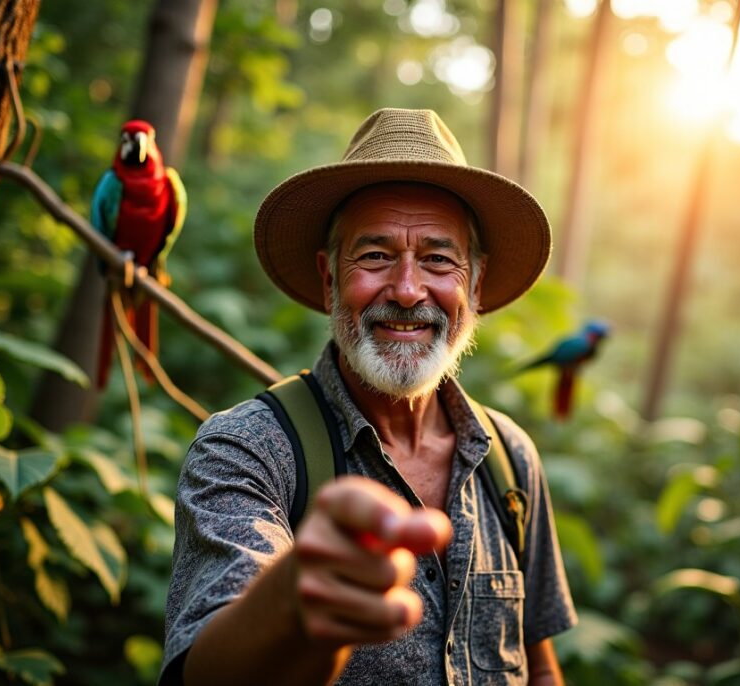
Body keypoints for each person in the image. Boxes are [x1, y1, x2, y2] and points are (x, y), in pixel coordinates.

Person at [161, 108, 577, 685]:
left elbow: (539, 666)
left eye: (438, 259)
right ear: (330, 277)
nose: (407, 291)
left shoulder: (509, 458)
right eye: (376, 256)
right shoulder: (246, 450)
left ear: (475, 284)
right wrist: (296, 602)